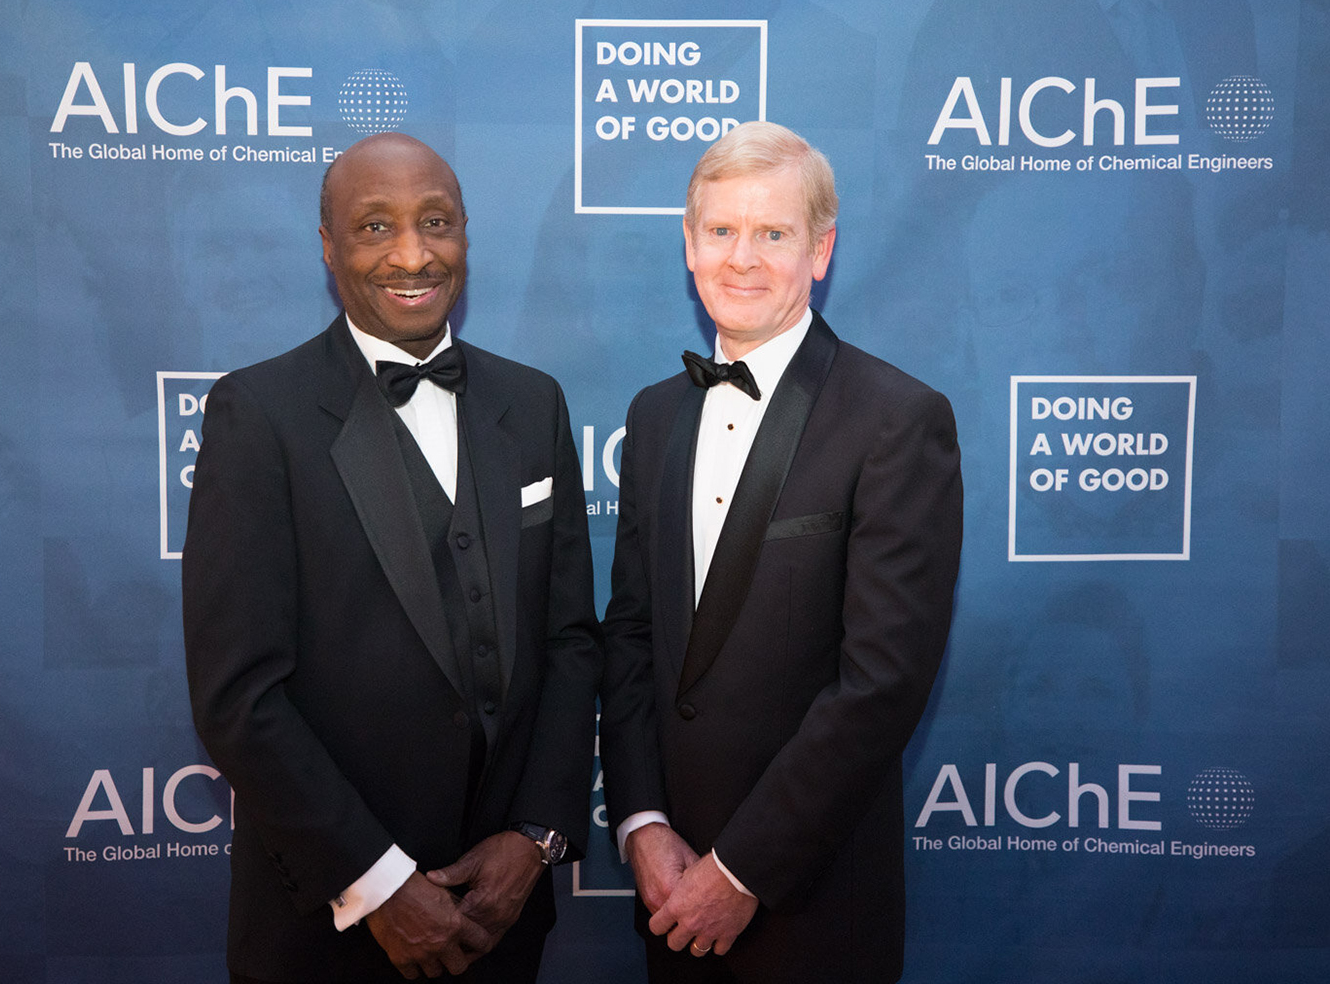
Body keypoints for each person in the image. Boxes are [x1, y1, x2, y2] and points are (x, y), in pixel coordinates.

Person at [183, 132, 602, 983]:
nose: (413, 253)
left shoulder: (534, 403)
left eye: (436, 222)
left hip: (503, 918)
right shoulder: (259, 415)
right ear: (329, 248)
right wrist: (379, 884)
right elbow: (239, 696)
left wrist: (534, 839)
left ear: (468, 237)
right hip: (330, 930)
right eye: (375, 227)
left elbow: (569, 642)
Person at [599, 121, 963, 982]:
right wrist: (643, 824)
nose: (743, 259)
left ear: (821, 250)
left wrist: (743, 869)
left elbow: (881, 682)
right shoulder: (654, 417)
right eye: (721, 230)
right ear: (689, 246)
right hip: (671, 896)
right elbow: (631, 637)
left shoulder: (897, 420)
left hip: (813, 900)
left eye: (774, 233)